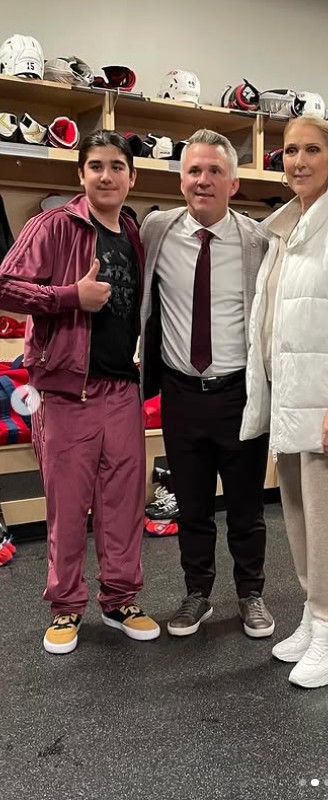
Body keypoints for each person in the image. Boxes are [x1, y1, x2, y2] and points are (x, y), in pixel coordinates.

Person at [0, 130, 160, 654]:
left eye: (117, 166)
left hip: (122, 389)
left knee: (122, 505)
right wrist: (72, 296)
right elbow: (5, 284)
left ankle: (120, 600)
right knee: (68, 508)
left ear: (131, 176)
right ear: (82, 174)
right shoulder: (53, 224)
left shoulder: (134, 232)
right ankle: (66, 607)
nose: (107, 176)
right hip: (70, 392)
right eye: (96, 166)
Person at [240, 115, 328, 689]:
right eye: (289, 151)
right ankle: (314, 615)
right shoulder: (283, 231)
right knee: (298, 517)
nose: (297, 161)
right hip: (288, 399)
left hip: (327, 402)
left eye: (310, 151)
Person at [139, 129, 273, 639]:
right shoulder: (155, 230)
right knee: (191, 505)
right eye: (194, 170)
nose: (203, 180)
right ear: (180, 179)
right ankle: (197, 593)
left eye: (215, 171)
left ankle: (251, 593)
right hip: (179, 393)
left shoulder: (258, 240)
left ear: (233, 183)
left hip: (238, 394)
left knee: (246, 507)